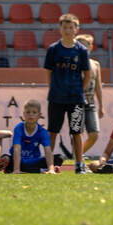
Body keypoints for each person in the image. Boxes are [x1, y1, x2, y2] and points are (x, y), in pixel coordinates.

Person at [44, 12, 91, 173]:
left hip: (75, 99)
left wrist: (79, 90)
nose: (68, 30)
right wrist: (53, 88)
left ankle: (79, 164)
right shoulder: (53, 49)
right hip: (56, 98)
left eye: (71, 27)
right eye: (65, 27)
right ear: (60, 29)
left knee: (77, 132)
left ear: (76, 29)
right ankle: (48, 165)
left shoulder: (82, 50)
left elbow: (87, 74)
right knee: (52, 131)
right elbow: (48, 72)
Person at [8, 99, 58, 174]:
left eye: (34, 112)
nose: (31, 115)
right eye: (28, 112)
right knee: (6, 158)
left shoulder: (43, 132)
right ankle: (40, 170)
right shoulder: (18, 128)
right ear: (24, 114)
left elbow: (48, 150)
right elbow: (16, 148)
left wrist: (51, 169)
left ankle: (46, 169)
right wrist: (16, 169)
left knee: (59, 158)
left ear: (39, 115)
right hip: (19, 160)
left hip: (34, 161)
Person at [74, 34, 104, 153]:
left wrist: (101, 105)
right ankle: (78, 158)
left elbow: (98, 86)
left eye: (85, 46)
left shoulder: (95, 64)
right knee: (78, 133)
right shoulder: (73, 63)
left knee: (94, 134)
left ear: (90, 47)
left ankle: (77, 154)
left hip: (90, 103)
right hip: (76, 102)